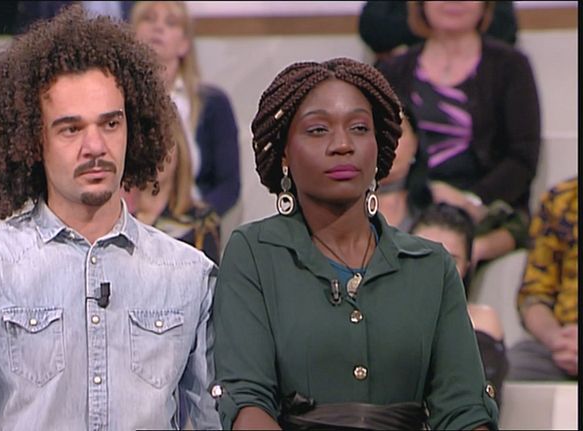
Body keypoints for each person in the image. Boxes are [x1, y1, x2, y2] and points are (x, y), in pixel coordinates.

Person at [0, 6, 220, 430]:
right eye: (71, 129)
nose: (96, 146)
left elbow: (214, 420)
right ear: (32, 140)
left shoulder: (189, 275)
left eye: (111, 124)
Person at [211, 58, 498, 430]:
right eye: (318, 130)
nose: (343, 145)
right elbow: (247, 400)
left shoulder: (431, 266)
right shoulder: (254, 253)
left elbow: (464, 408)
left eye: (360, 128)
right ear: (284, 153)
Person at [377, 1, 541, 265]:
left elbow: (522, 157)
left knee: (447, 244)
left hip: (482, 205)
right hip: (408, 197)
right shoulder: (392, 69)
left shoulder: (511, 66)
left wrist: (471, 200)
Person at [130, 0, 241, 217]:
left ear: (184, 44)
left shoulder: (213, 103)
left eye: (171, 23)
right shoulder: (116, 101)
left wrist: (193, 221)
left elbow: (228, 187)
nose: (158, 27)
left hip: (193, 221)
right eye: (149, 19)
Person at [410, 203, 509, 406]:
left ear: (466, 267)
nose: (435, 269)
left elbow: (473, 403)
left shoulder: (482, 321)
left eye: (450, 260)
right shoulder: (375, 316)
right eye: (422, 255)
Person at [507, 177, 578, 381]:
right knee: (507, 369)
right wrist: (557, 340)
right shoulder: (562, 199)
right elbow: (534, 296)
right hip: (564, 347)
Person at [125, 118, 222, 264]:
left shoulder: (202, 224)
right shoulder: (119, 225)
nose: (156, 152)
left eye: (163, 142)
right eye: (148, 142)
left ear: (179, 149)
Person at [359, 0, 518, 65]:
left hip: (483, 74)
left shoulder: (513, 67)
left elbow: (504, 28)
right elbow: (372, 28)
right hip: (404, 80)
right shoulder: (398, 69)